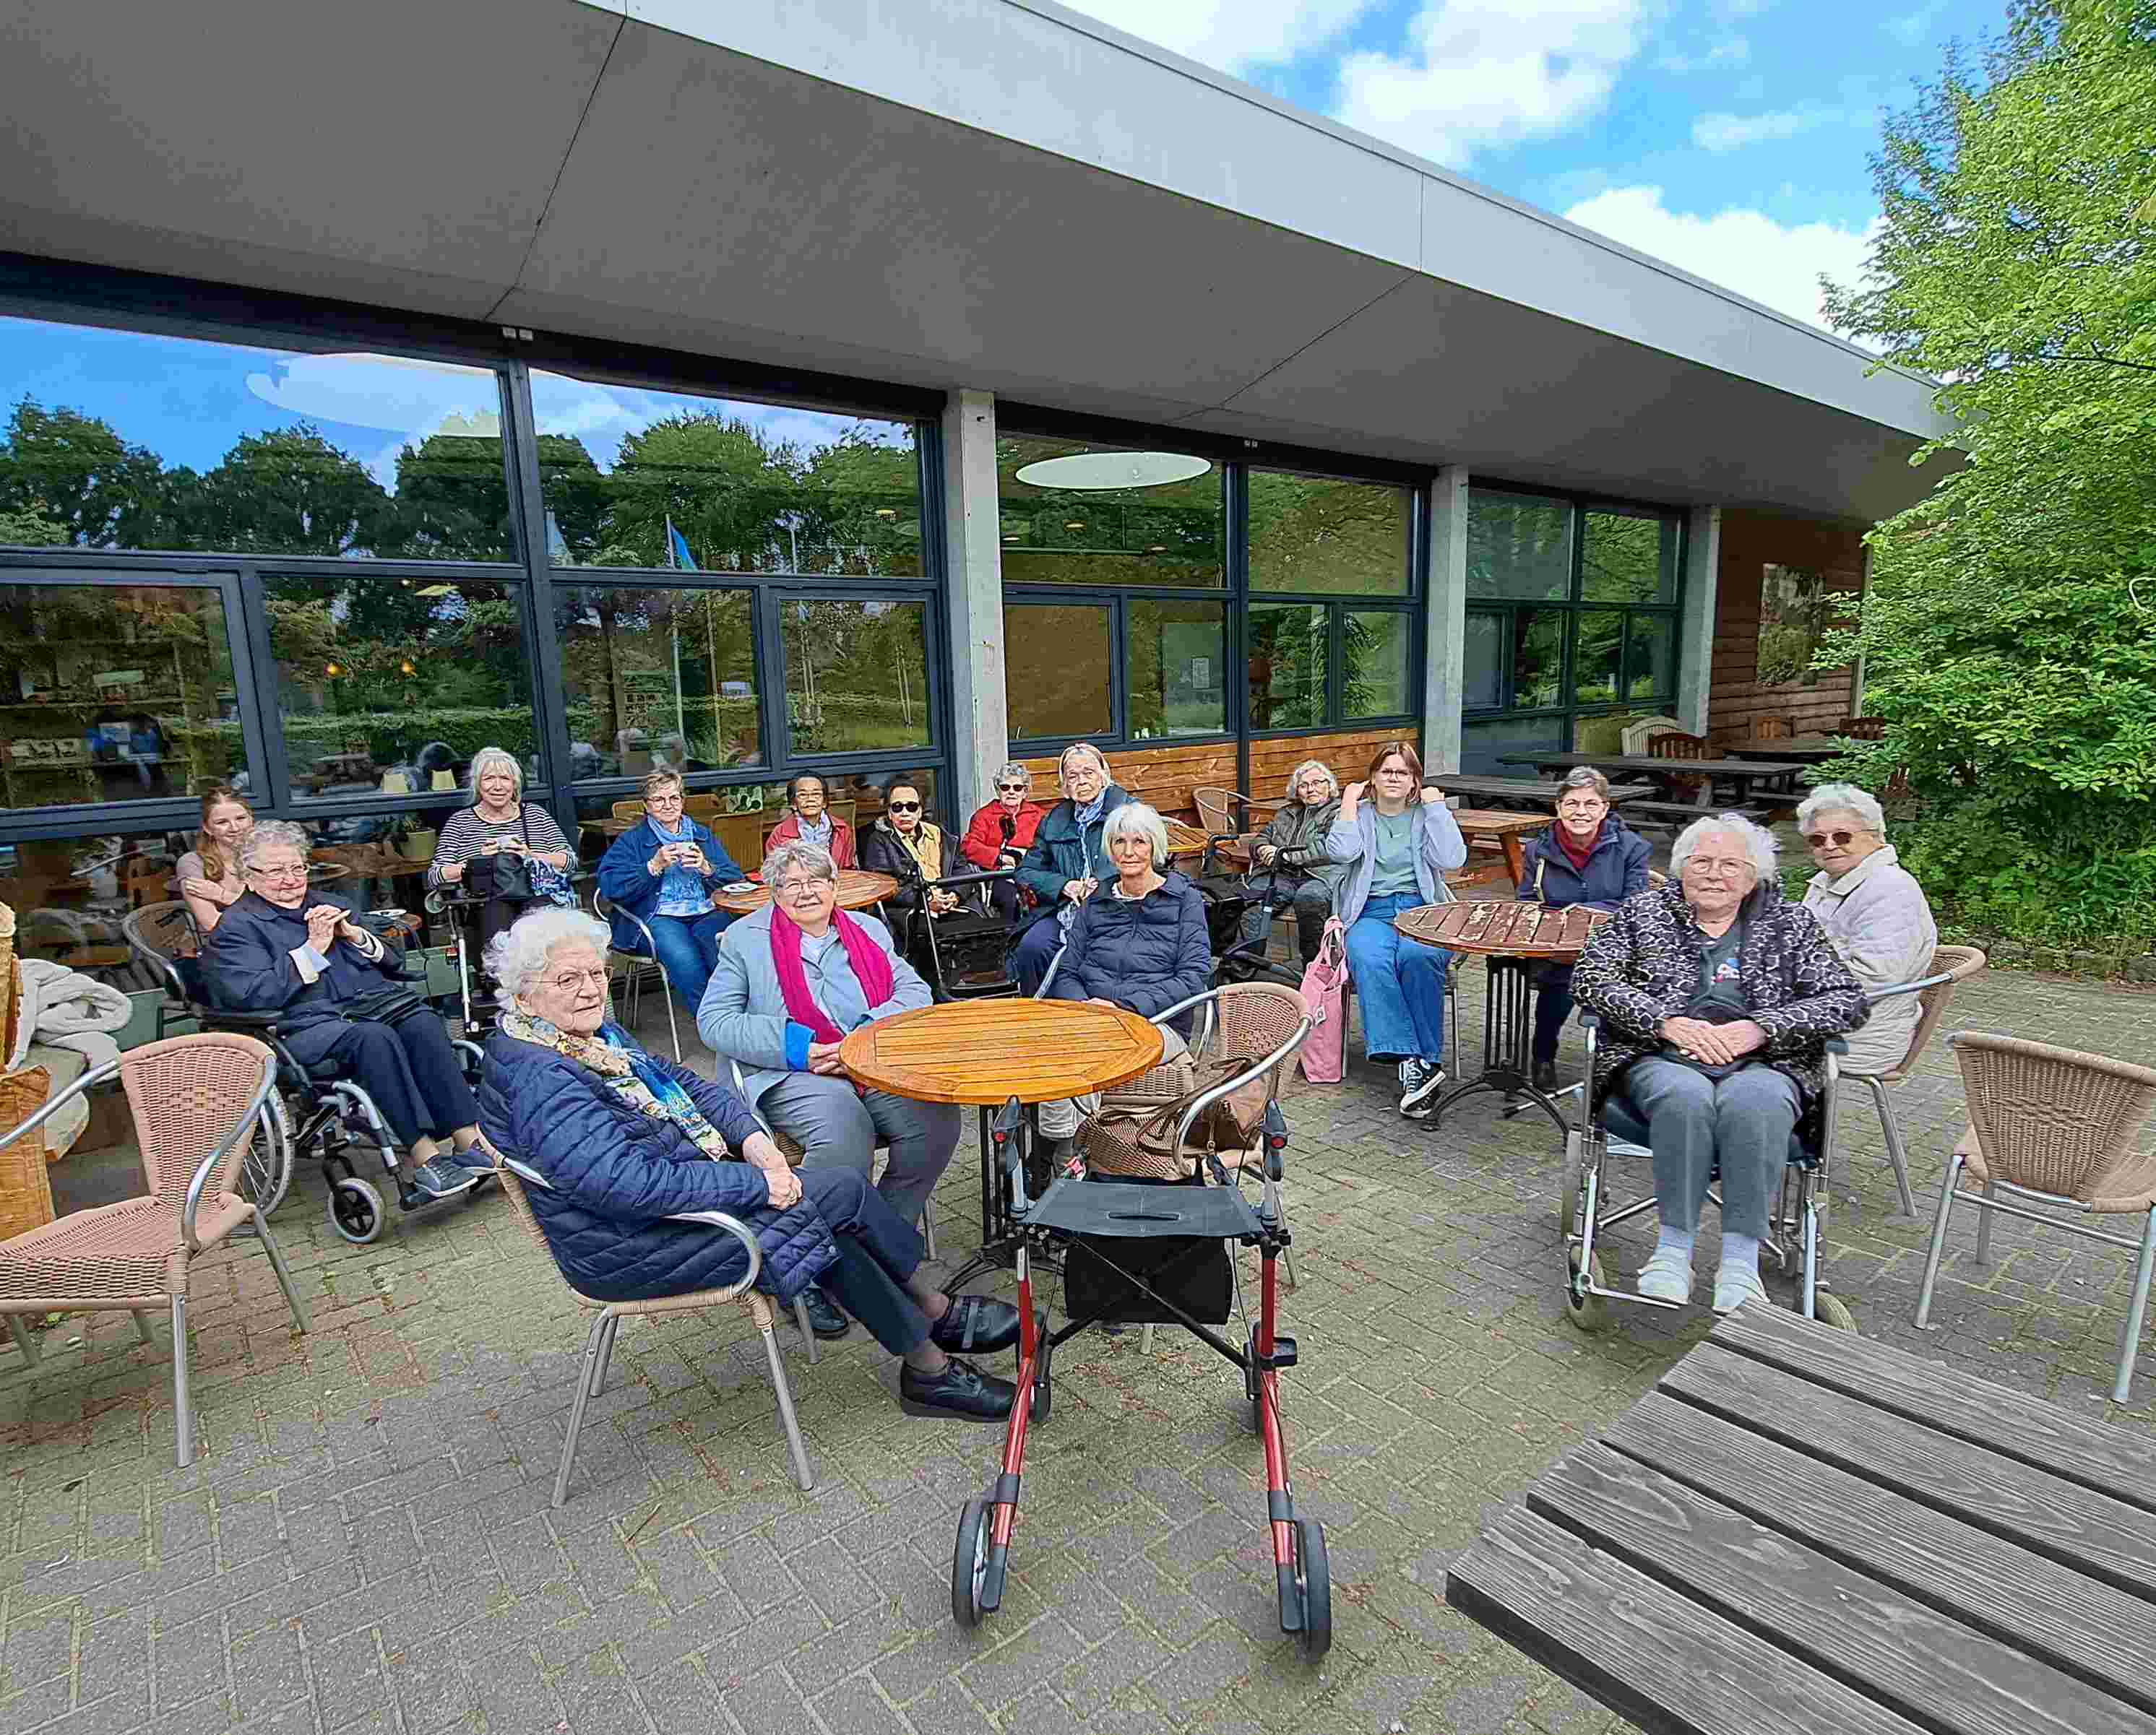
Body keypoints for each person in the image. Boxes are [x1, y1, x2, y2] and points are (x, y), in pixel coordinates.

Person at [481, 907, 1016, 1420]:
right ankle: (931, 1333)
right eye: (568, 979)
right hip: (630, 1244)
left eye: (597, 973)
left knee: (823, 1206)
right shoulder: (543, 1080)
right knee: (835, 1196)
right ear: (524, 995)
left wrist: (753, 1138)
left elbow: (685, 1083)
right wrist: (758, 1185)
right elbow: (626, 1185)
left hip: (669, 1205)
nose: (591, 989)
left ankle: (928, 1350)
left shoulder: (587, 1039)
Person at [1572, 813, 1866, 1314]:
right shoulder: (1643, 913)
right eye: (1702, 862)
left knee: (1757, 1103)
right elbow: (1591, 977)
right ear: (1681, 868)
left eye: (1730, 865)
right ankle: (1673, 1251)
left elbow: (1846, 999)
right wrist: (1665, 1023)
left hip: (1765, 1061)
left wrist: (1762, 1028)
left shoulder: (1790, 924)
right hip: (1660, 1056)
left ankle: (1740, 1262)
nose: (1714, 874)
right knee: (1684, 1097)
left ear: (1753, 878)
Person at [699, 839, 961, 1333]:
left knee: (936, 1120)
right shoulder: (744, 940)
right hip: (795, 1071)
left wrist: (862, 1037)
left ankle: (879, 1247)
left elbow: (915, 991)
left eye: (816, 880)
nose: (805, 892)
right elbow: (714, 1021)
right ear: (774, 893)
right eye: (791, 884)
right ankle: (802, 1270)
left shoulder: (867, 929)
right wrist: (798, 1047)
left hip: (868, 1061)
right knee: (844, 1129)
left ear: (834, 885)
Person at [203, 821, 483, 1203]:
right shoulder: (237, 927)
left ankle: (469, 1140)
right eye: (276, 871)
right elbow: (252, 994)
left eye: (297, 868)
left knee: (423, 1023)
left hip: (367, 1008)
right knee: (374, 1039)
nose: (290, 879)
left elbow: (393, 960)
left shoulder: (329, 904)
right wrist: (312, 949)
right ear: (248, 876)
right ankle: (425, 1156)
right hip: (301, 1027)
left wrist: (356, 936)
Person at [1039, 802, 1212, 1163]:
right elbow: (1067, 970)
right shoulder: (1096, 900)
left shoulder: (1185, 900)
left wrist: (1122, 1009)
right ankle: (1063, 1148)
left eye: (1139, 841)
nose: (1128, 851)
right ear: (1109, 848)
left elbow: (1193, 977)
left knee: (1088, 1049)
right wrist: (1087, 1007)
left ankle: (1064, 1159)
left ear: (1155, 846)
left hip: (1157, 1022)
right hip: (1091, 1016)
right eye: (1119, 842)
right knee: (1047, 1045)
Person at [1324, 741, 1466, 1119]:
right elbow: (1341, 853)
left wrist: (1437, 809)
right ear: (1373, 777)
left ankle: (1424, 1062)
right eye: (1386, 771)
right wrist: (1348, 803)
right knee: (1370, 958)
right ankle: (1413, 1061)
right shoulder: (1360, 815)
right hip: (1371, 911)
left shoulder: (1425, 814)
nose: (1393, 778)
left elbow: (1452, 858)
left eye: (1403, 772)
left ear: (1415, 780)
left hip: (1422, 911)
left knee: (1420, 956)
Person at [1516, 767, 1653, 1093]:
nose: (1581, 812)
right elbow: (1526, 901)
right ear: (1558, 807)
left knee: (1599, 979)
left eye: (1591, 804)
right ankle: (1543, 1055)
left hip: (1615, 946)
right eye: (1572, 803)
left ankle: (1613, 1056)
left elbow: (1636, 904)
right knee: (1560, 979)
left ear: (1605, 808)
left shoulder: (1632, 848)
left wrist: (1582, 911)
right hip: (1558, 947)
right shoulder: (1537, 850)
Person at [1798, 782, 1938, 1076]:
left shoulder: (1890, 889)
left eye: (1842, 836)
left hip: (1856, 1036)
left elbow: (1874, 976)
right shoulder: (1828, 881)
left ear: (1875, 836)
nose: (1829, 845)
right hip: (1821, 1016)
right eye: (1817, 840)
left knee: (1723, 1040)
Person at [596, 771, 744, 1017]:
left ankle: (738, 1015)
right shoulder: (631, 841)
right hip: (657, 916)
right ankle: (714, 1023)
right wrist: (652, 867)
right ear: (646, 805)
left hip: (705, 911)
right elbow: (610, 887)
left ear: (682, 801)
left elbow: (734, 878)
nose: (668, 805)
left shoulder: (701, 834)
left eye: (674, 798)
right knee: (686, 962)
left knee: (726, 954)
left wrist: (706, 868)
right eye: (659, 799)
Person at [427, 746, 576, 961]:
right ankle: (503, 977)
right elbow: (436, 875)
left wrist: (531, 855)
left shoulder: (535, 815)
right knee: (496, 914)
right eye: (489, 778)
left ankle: (546, 974)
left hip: (537, 894)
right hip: (486, 901)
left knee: (540, 917)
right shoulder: (460, 822)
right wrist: (477, 863)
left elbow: (569, 861)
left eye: (505, 778)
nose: (497, 786)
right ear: (478, 784)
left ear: (515, 784)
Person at [1012, 743, 1130, 995]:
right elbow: (1026, 871)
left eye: (1089, 773)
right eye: (1073, 776)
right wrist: (1065, 885)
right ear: (1064, 785)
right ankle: (1039, 1011)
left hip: (1116, 907)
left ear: (1104, 776)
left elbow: (1150, 859)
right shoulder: (1054, 821)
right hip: (1065, 908)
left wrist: (1101, 882)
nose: (1081, 781)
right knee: (1032, 947)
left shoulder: (1128, 812)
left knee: (1102, 955)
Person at [1239, 759, 1346, 966]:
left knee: (1310, 898)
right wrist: (1262, 849)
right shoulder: (1287, 813)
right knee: (1253, 897)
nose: (1310, 789)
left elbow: (1330, 847)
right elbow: (1262, 837)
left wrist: (1285, 856)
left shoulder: (1339, 812)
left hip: (1321, 876)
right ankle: (1243, 964)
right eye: (1304, 785)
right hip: (1283, 875)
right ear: (1297, 791)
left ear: (1329, 785)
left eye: (1317, 783)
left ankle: (1314, 966)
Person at [859, 781, 960, 926]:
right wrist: (927, 900)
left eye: (912, 807)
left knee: (982, 930)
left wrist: (955, 894)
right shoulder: (879, 840)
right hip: (913, 910)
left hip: (952, 904)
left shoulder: (938, 833)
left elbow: (961, 868)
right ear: (890, 813)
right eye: (897, 807)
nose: (905, 813)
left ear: (920, 811)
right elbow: (884, 886)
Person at [960, 762, 1048, 922]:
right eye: (1005, 787)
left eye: (1017, 788)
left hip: (1034, 871)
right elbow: (969, 847)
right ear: (998, 790)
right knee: (1012, 898)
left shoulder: (1038, 815)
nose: (1011, 792)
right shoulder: (984, 816)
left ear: (1025, 792)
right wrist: (1000, 857)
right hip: (999, 875)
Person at [764, 774, 857, 868]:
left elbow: (849, 868)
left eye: (816, 794)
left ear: (824, 802)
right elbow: (774, 871)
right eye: (803, 795)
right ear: (793, 804)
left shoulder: (842, 830)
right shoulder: (779, 834)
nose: (810, 799)